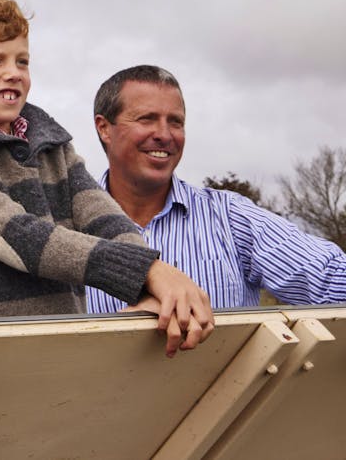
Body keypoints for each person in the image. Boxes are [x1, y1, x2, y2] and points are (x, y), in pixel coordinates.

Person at [0, 0, 214, 357]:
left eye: (22, 61)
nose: (13, 73)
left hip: (57, 348)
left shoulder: (52, 143)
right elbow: (13, 234)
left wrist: (152, 287)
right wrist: (145, 272)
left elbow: (104, 218)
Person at [86, 65, 346, 314]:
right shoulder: (66, 227)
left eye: (176, 122)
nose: (165, 134)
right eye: (147, 119)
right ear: (104, 128)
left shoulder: (232, 217)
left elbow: (329, 279)